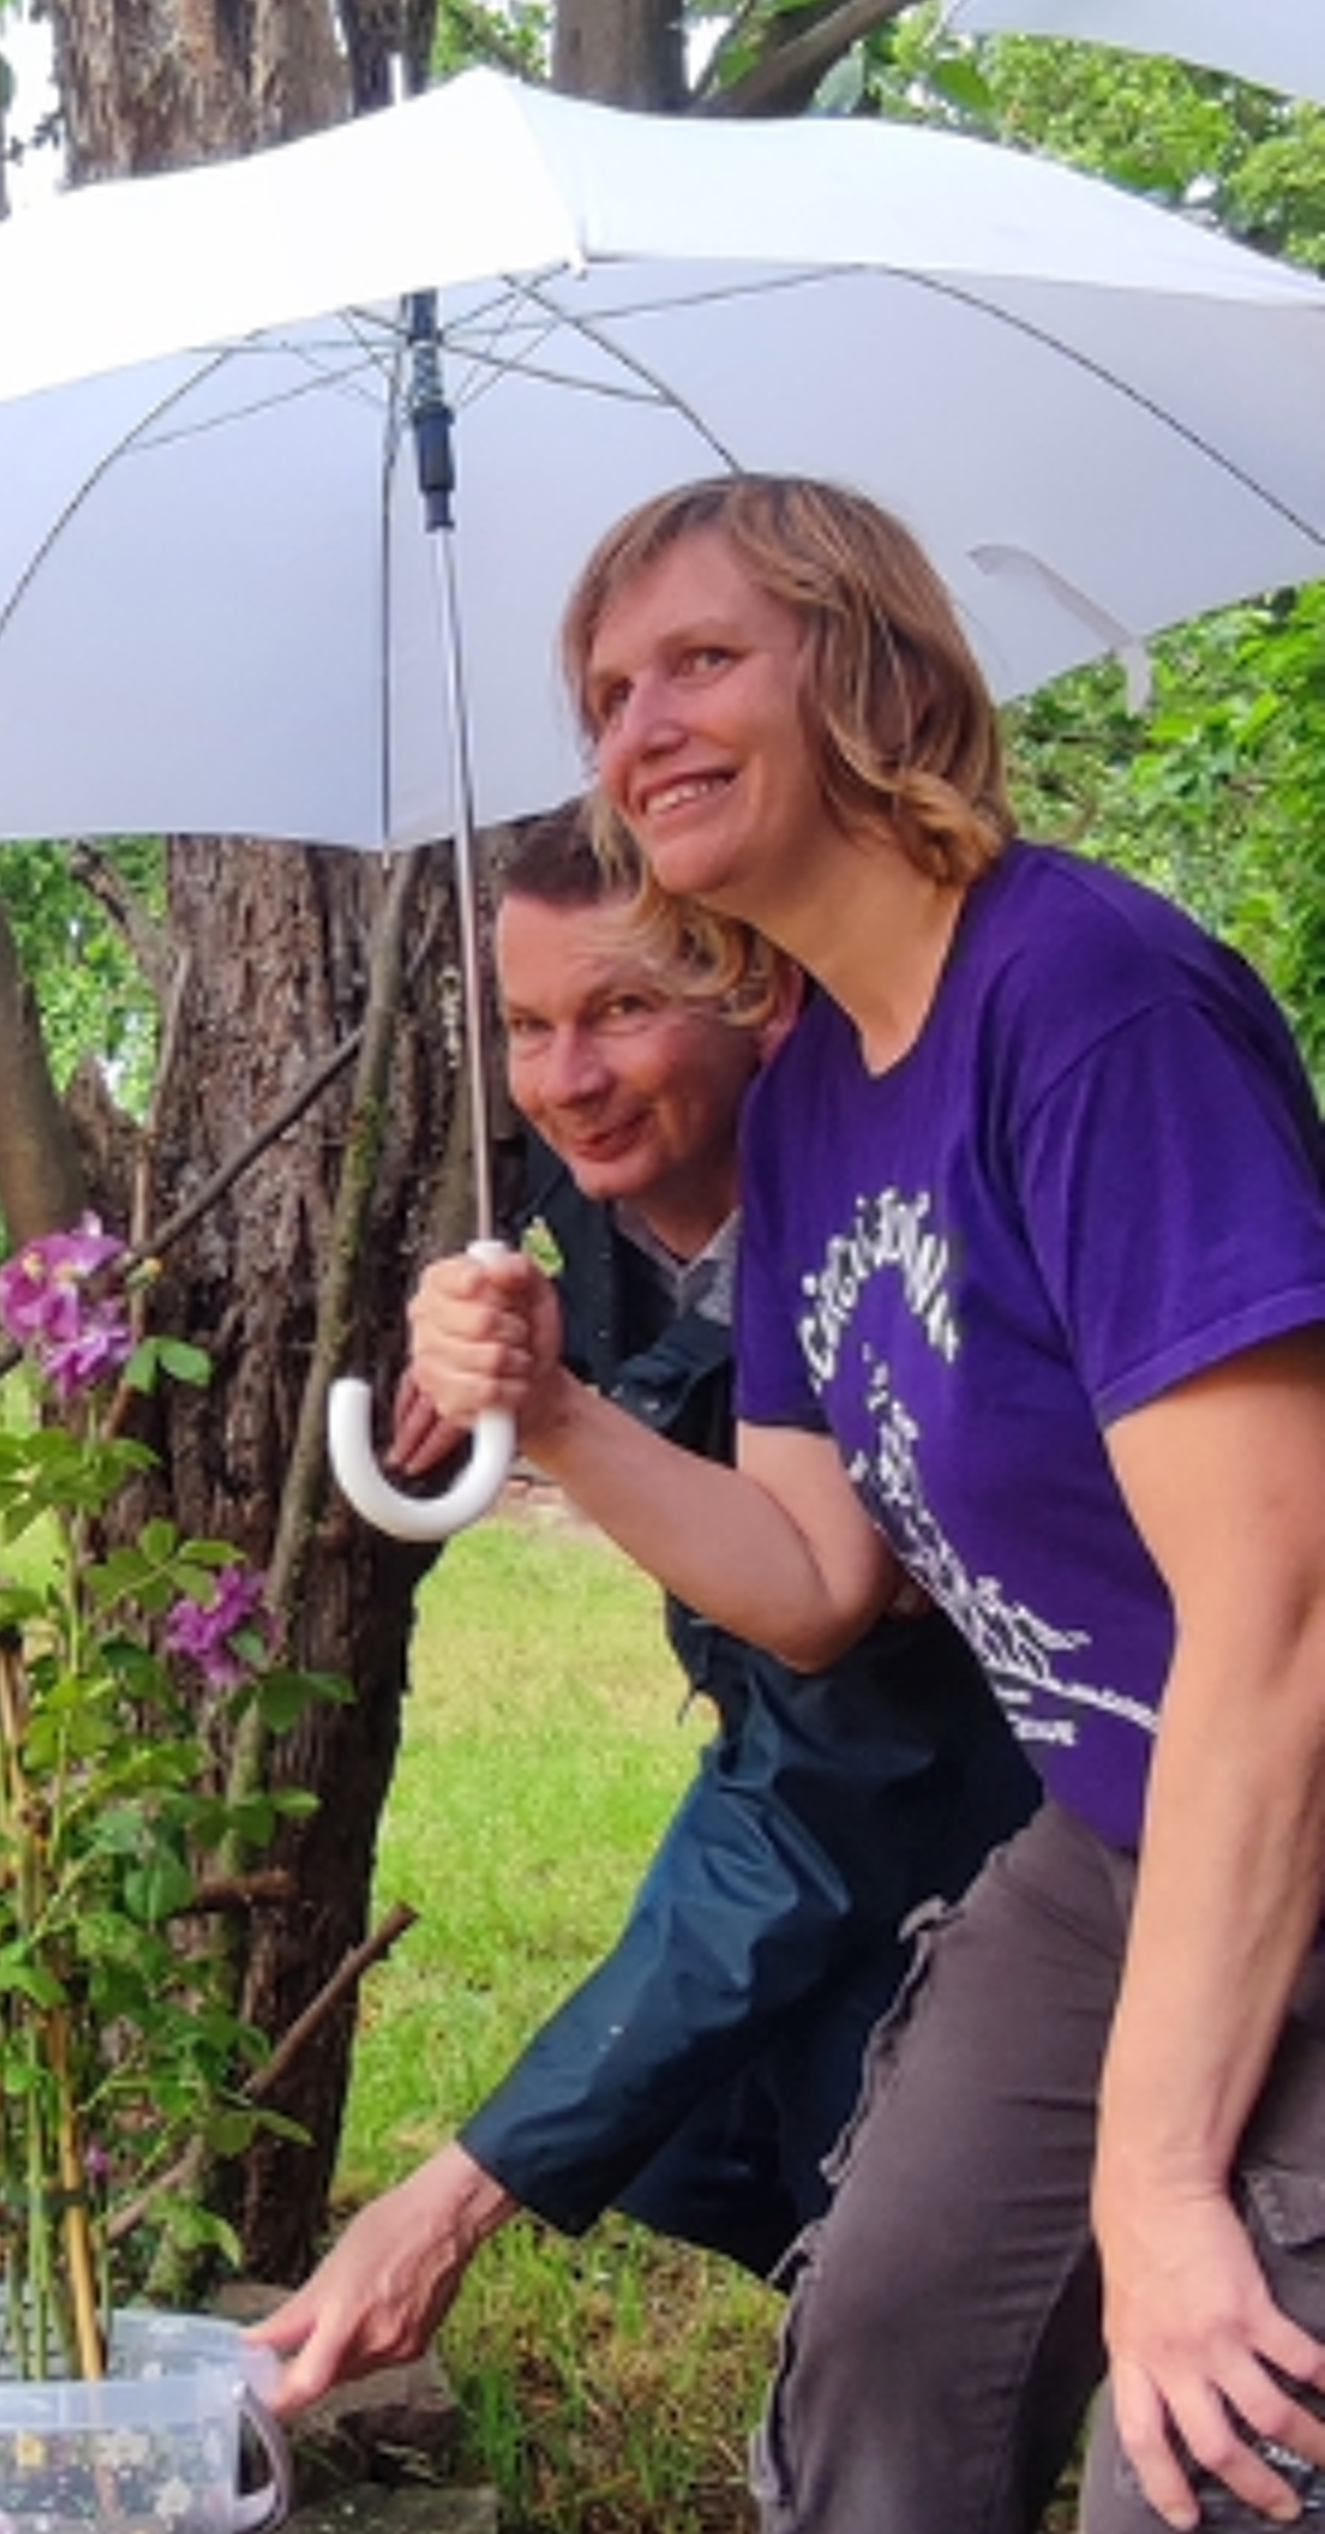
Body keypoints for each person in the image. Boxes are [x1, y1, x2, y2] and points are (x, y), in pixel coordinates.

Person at [410, 473, 1325, 2534]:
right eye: (607, 693)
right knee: (890, 2352)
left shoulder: (1091, 1004)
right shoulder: (824, 1087)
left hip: (1289, 1805)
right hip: (1129, 1837)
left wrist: (1157, 2179)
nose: (640, 724)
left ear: (864, 664)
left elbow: (1285, 1613)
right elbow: (814, 1573)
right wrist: (565, 1419)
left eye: (699, 659)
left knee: (1204, 2484)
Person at [249, 816, 1034, 2406]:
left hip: (988, 1774)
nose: (565, 1079)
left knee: (897, 2209)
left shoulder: (880, 1241)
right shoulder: (581, 1171)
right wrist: (468, 1353)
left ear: (767, 998)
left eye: (620, 1011)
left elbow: (818, 1783)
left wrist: (449, 2202)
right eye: (528, 1026)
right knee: (777, 2139)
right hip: (802, 1734)